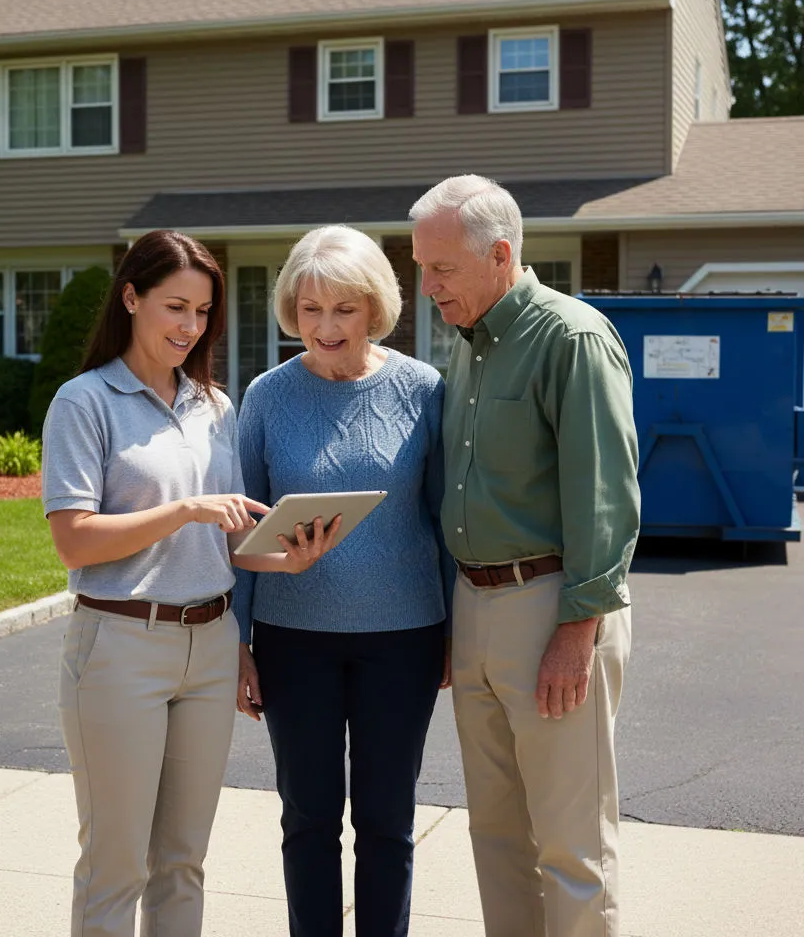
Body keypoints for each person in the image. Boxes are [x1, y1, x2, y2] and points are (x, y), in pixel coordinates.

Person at [41, 229, 338, 937]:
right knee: (116, 864)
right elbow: (72, 538)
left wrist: (285, 557)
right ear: (131, 297)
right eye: (175, 307)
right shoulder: (85, 402)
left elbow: (231, 541)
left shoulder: (214, 405)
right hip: (118, 646)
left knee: (183, 861)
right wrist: (184, 510)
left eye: (202, 313)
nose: (189, 327)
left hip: (209, 649)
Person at [409, 176, 640, 937]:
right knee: (496, 835)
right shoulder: (469, 346)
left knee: (572, 845)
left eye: (441, 268)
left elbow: (605, 496)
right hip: (475, 612)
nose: (427, 285)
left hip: (553, 610)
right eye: (421, 266)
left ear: (500, 254)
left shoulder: (571, 338)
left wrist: (578, 632)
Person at [234, 224, 457, 937]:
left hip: (405, 636)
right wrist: (239, 643)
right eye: (309, 310)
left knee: (388, 820)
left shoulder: (423, 390)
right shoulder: (267, 397)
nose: (325, 329)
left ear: (375, 309)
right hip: (293, 639)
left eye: (343, 310)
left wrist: (455, 630)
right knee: (307, 817)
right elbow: (238, 530)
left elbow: (443, 520)